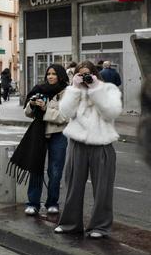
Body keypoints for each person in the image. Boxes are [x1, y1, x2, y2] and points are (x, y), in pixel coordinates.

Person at [55, 61, 122, 238]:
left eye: (88, 74)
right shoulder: (74, 91)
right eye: (81, 74)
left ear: (95, 74)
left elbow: (111, 113)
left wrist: (95, 89)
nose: (85, 77)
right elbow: (65, 113)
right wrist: (74, 89)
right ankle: (69, 224)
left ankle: (100, 227)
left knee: (103, 189)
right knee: (72, 186)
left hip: (102, 144)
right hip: (77, 143)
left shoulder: (108, 89)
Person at [17, 65, 69, 217]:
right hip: (39, 133)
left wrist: (46, 109)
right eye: (48, 74)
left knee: (55, 170)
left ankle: (52, 202)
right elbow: (28, 113)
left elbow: (65, 117)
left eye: (54, 74)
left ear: (60, 76)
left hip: (58, 134)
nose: (50, 77)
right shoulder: (39, 89)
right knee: (36, 167)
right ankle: (33, 203)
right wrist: (32, 104)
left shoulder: (67, 92)